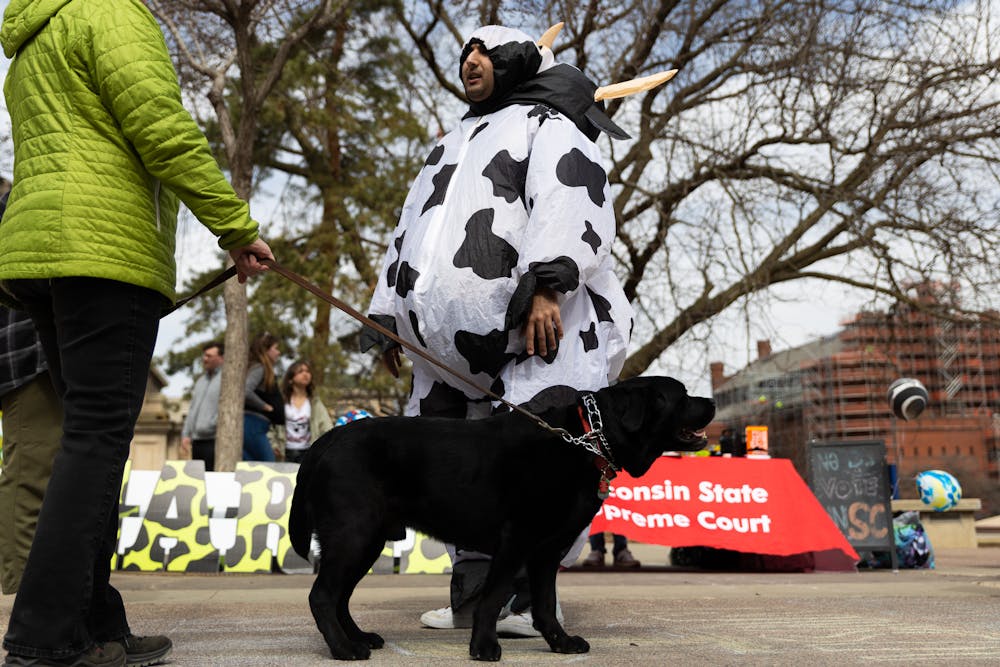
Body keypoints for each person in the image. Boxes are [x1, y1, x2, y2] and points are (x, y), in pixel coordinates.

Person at [0, 1, 274, 664]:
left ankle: (96, 623)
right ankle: (43, 634)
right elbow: (161, 129)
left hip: (41, 252)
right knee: (95, 442)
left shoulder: (35, 33)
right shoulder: (114, 14)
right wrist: (234, 226)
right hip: (105, 250)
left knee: (83, 441)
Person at [362, 25, 634, 638]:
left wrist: (547, 286)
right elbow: (413, 225)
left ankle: (531, 603)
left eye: (486, 51)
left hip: (533, 337)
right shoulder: (451, 141)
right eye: (466, 51)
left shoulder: (549, 125)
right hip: (442, 352)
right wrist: (388, 316)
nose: (472, 60)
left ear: (517, 62)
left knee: (536, 464)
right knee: (453, 468)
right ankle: (473, 598)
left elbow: (570, 198)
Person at [0, 190, 63, 598]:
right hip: (29, 352)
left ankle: (36, 586)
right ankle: (25, 589)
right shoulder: (26, 194)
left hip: (51, 347)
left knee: (46, 470)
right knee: (31, 471)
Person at [179, 341, 225, 472]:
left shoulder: (226, 379)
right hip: (197, 441)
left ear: (221, 358)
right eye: (204, 355)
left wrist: (211, 425)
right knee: (199, 478)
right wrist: (186, 434)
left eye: (209, 356)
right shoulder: (200, 381)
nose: (205, 359)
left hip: (215, 441)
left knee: (213, 479)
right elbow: (192, 409)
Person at [276, 360, 334, 464]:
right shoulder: (281, 401)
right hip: (283, 453)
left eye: (307, 371)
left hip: (308, 453)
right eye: (300, 371)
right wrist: (274, 445)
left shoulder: (315, 402)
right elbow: (271, 426)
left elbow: (326, 427)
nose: (305, 374)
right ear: (290, 379)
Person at [243, 333, 284, 462]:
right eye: (275, 348)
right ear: (265, 350)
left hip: (256, 426)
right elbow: (246, 390)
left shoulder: (259, 369)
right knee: (267, 465)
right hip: (253, 425)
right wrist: (265, 406)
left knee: (251, 464)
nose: (278, 352)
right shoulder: (259, 368)